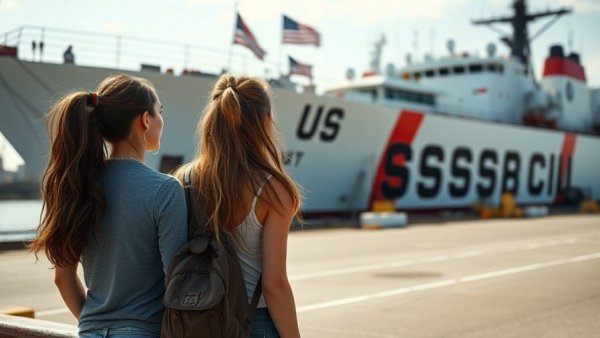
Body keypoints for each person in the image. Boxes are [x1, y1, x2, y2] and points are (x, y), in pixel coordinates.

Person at [29, 74, 188, 338]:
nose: (162, 120)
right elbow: (178, 283)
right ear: (145, 120)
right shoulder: (165, 190)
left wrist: (94, 323)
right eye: (160, 112)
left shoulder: (79, 185)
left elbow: (62, 278)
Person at [176, 74, 302, 338]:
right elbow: (274, 285)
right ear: (265, 121)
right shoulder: (273, 190)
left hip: (192, 320)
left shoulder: (184, 180)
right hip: (253, 321)